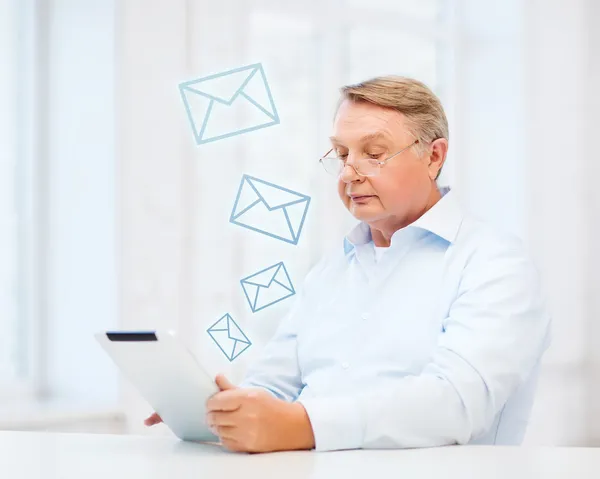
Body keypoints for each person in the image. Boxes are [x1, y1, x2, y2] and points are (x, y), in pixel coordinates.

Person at [145, 76, 551, 453]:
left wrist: (304, 425)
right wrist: (225, 411)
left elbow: (458, 403)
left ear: (434, 156)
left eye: (373, 154)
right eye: (341, 154)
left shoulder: (495, 264)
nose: (349, 173)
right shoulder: (332, 269)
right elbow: (275, 383)